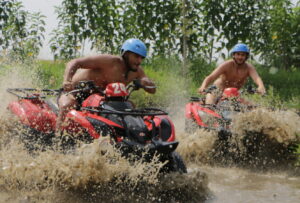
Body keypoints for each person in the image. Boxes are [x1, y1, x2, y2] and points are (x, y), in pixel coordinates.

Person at [56, 38, 156, 132]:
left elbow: (151, 89)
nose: (139, 61)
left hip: (101, 100)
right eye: (136, 56)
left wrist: (145, 83)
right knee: (67, 105)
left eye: (142, 58)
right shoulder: (108, 61)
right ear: (126, 54)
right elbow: (75, 62)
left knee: (130, 106)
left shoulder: (137, 71)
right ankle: (57, 140)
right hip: (75, 93)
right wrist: (67, 81)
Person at [198, 43, 266, 104]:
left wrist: (261, 87)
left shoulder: (249, 68)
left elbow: (257, 78)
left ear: (246, 56)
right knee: (210, 97)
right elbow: (211, 77)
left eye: (242, 55)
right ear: (234, 55)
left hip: (234, 94)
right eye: (238, 54)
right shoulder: (226, 65)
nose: (240, 57)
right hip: (218, 91)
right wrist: (203, 86)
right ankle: (210, 115)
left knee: (252, 106)